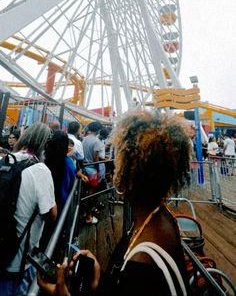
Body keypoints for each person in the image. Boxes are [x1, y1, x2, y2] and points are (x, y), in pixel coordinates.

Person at [37, 109, 192, 296]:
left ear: (129, 171)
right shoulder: (162, 218)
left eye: (120, 158)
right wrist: (100, 278)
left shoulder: (142, 262)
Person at [0, 122, 57, 296]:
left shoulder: (6, 160)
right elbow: (51, 214)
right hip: (19, 260)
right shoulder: (40, 170)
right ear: (45, 145)